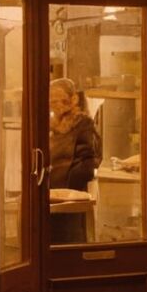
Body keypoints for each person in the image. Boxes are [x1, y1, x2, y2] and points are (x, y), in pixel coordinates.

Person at [48, 77, 101, 244]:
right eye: (52, 101)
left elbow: (89, 160)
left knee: (70, 238)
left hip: (71, 193)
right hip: (50, 190)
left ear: (73, 99)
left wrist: (70, 187)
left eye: (60, 99)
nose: (55, 104)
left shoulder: (83, 123)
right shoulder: (49, 125)